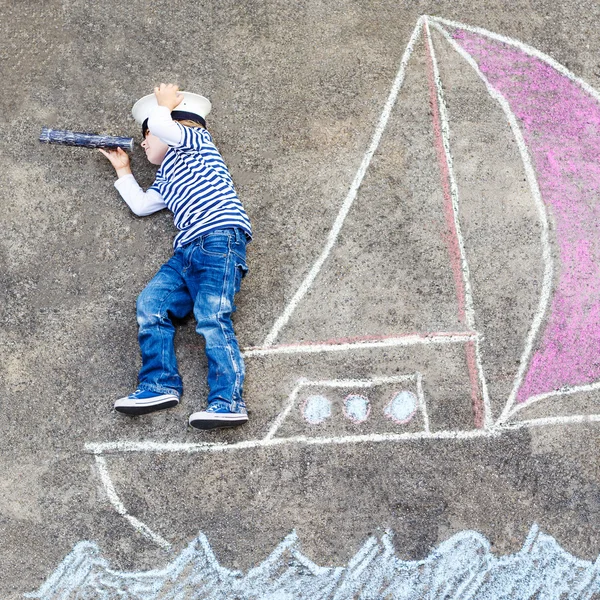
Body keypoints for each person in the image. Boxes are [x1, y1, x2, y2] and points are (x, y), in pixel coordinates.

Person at [99, 83, 252, 430]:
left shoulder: (196, 143)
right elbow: (141, 206)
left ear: (173, 125)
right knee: (151, 304)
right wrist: (124, 169)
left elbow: (168, 128)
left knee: (212, 317)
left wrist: (164, 105)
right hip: (187, 251)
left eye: (147, 135)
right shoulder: (167, 174)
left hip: (219, 239)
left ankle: (228, 402)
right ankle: (159, 384)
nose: (143, 143)